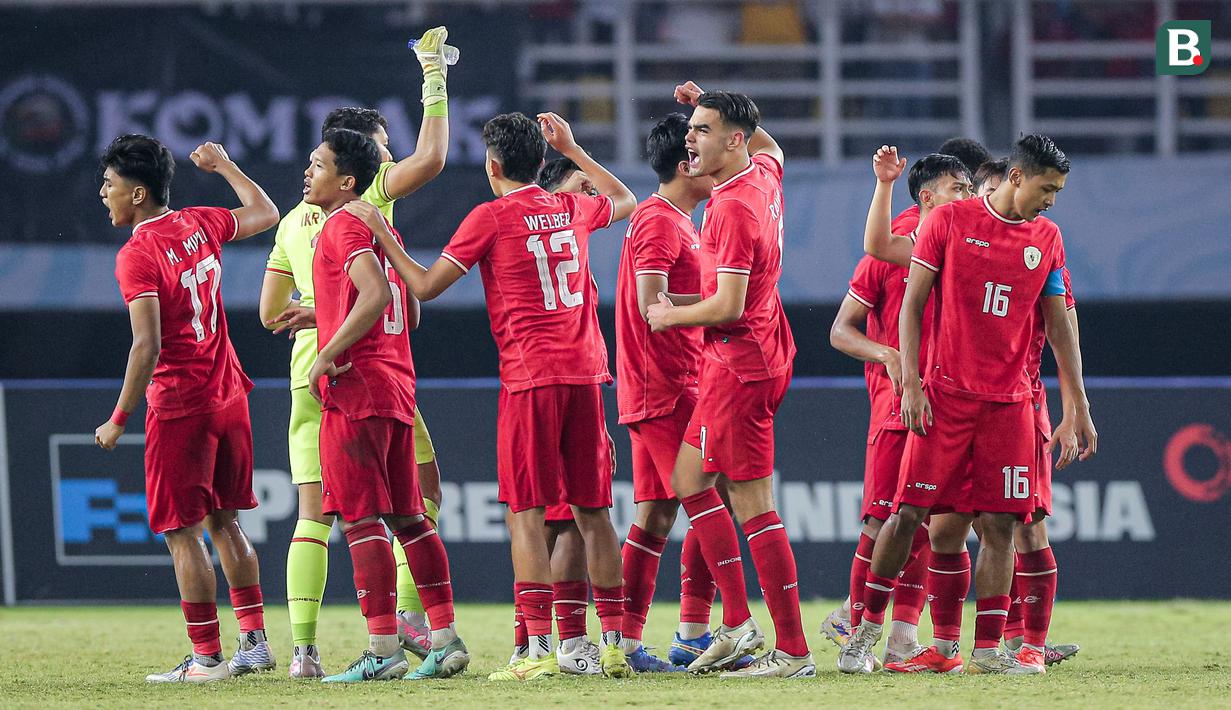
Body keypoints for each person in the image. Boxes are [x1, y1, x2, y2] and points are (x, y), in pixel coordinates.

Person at [366, 111, 638, 681]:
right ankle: (612, 641)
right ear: (541, 162)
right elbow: (626, 199)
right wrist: (577, 148)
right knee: (594, 513)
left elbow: (423, 286)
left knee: (526, 514)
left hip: (530, 378)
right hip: (587, 376)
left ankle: (537, 648)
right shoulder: (570, 208)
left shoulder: (490, 217)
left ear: (492, 166)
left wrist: (381, 231)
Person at [838, 134, 1097, 675]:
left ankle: (988, 651)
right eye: (1046, 188)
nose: (1051, 200)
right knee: (910, 516)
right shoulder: (949, 222)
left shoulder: (1047, 237)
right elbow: (911, 306)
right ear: (1018, 177)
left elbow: (1059, 326)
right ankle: (864, 631)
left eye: (1058, 191)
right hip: (946, 399)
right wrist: (911, 382)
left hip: (1009, 406)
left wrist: (1079, 405)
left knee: (1002, 527)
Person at [258, 26, 453, 678]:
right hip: (369, 368)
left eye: (312, 164)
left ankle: (310, 651)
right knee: (415, 503)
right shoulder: (366, 203)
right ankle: (416, 627)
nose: (394, 157)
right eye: (384, 148)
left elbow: (270, 314)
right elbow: (402, 296)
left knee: (326, 515)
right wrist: (433, 76)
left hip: (325, 371)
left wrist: (322, 326)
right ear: (364, 160)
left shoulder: (296, 221)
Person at [95, 134, 279, 682]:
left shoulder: (137, 253)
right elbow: (265, 212)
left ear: (138, 193)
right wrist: (225, 166)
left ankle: (206, 658)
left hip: (181, 406)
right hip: (229, 394)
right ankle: (255, 643)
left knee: (182, 532)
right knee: (227, 522)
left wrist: (119, 419)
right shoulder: (198, 222)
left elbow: (146, 346)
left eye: (110, 185)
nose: (103, 194)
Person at [646, 82, 813, 679]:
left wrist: (669, 314)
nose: (690, 139)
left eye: (703, 130)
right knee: (693, 479)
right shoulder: (762, 172)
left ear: (733, 141)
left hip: (740, 361)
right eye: (691, 129)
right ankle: (740, 624)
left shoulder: (730, 208)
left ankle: (786, 649)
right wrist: (712, 103)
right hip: (760, 351)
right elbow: (775, 147)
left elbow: (729, 306)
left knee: (749, 504)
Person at [303, 127, 467, 682]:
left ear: (346, 181)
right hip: (396, 385)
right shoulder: (377, 226)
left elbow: (372, 295)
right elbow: (406, 311)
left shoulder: (341, 225)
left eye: (318, 165)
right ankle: (443, 639)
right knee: (411, 520)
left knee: (360, 519)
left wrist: (327, 352)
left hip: (357, 392)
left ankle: (383, 650)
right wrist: (327, 313)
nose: (308, 171)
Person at [824, 153, 972, 669]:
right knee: (883, 520)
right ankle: (857, 625)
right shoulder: (898, 246)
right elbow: (841, 330)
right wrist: (888, 354)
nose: (971, 196)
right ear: (928, 196)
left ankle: (903, 636)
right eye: (960, 187)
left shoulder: (965, 244)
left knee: (931, 521)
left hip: (950, 400)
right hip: (898, 402)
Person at [614, 112, 715, 673]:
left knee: (655, 513)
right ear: (684, 165)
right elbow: (653, 307)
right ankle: (696, 631)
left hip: (675, 381)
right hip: (665, 386)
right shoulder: (659, 221)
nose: (712, 163)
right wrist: (722, 309)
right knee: (711, 499)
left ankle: (626, 641)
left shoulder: (678, 219)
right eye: (700, 152)